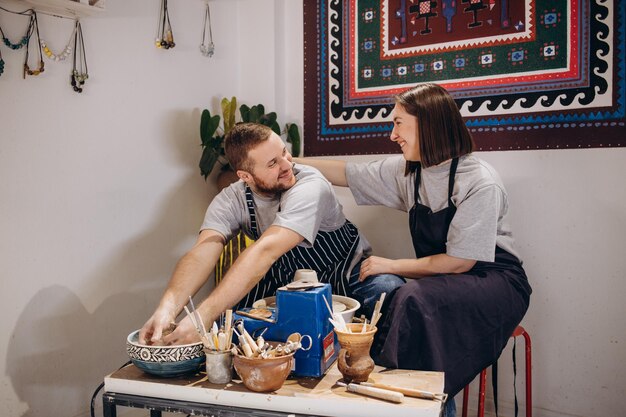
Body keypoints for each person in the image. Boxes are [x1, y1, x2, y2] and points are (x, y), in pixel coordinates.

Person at [295, 83, 532, 416]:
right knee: (399, 298)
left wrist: (391, 265)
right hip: (450, 279)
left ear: (428, 124)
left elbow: (460, 262)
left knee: (412, 298)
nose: (393, 134)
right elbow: (346, 173)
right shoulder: (410, 171)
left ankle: (417, 405)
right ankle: (396, 400)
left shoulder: (479, 181)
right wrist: (286, 161)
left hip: (495, 281)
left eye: (398, 123)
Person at [139, 122, 404, 346]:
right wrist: (168, 308)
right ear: (245, 176)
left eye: (285, 153)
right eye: (272, 163)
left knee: (390, 292)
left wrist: (202, 316)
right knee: (229, 326)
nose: (287, 164)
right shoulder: (231, 200)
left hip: (347, 274)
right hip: (286, 283)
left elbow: (266, 250)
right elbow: (201, 253)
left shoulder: (310, 184)